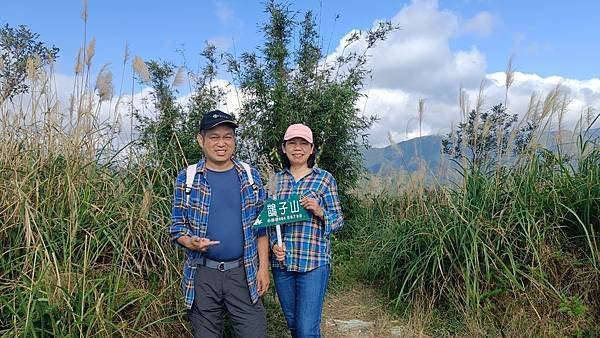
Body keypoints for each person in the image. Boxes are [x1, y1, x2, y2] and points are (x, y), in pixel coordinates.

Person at [168, 110, 270, 337]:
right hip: (203, 273)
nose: (221, 143)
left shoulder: (250, 176)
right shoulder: (187, 177)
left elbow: (261, 226)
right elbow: (176, 227)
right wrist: (191, 242)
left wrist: (263, 268)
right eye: (214, 137)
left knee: (254, 331)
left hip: (244, 272)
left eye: (228, 136)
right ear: (200, 140)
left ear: (234, 140)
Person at [271, 123, 344, 338]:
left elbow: (338, 220)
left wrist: (320, 211)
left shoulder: (324, 179)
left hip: (313, 263)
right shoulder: (276, 181)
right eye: (292, 143)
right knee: (294, 325)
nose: (297, 148)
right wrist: (275, 246)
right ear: (284, 148)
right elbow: (269, 222)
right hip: (282, 264)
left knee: (306, 330)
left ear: (312, 149)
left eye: (304, 144)